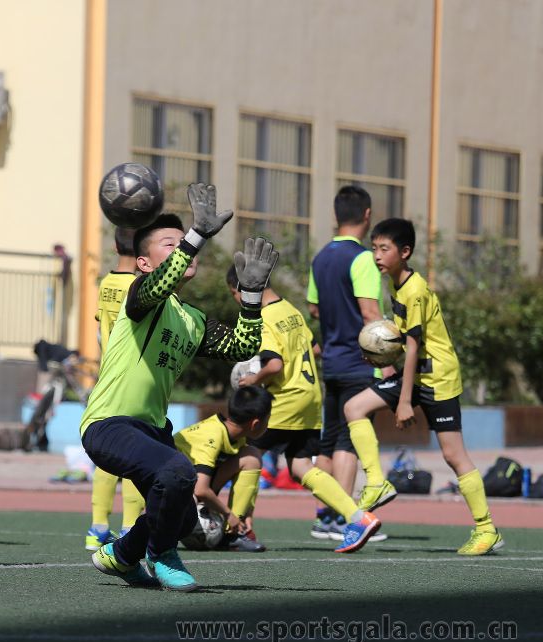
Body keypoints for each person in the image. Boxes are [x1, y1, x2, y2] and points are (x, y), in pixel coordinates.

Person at [81, 183, 277, 592]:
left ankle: (121, 555)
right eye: (168, 244)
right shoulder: (140, 296)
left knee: (183, 515)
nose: (182, 250)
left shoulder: (192, 319)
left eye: (182, 243)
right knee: (177, 472)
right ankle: (161, 555)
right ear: (144, 263)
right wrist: (197, 233)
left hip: (152, 430)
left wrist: (252, 296)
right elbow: (159, 284)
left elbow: (243, 347)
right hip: (108, 424)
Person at [344, 218, 503, 556]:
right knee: (354, 407)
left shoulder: (415, 290)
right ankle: (377, 482)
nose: (377, 255)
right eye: (374, 248)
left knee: (453, 455)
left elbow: (415, 346)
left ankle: (486, 529)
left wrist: (404, 401)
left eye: (384, 249)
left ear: (405, 252)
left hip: (438, 378)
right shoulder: (395, 285)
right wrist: (381, 352)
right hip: (416, 374)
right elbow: (405, 341)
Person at [227, 267, 381, 554]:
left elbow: (275, 365)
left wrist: (252, 379)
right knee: (301, 467)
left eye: (234, 294)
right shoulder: (291, 311)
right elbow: (315, 349)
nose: (237, 300)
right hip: (310, 397)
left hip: (286, 398)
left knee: (247, 454)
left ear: (244, 289)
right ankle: (358, 517)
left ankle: (238, 528)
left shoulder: (263, 316)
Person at [307, 185, 391, 541]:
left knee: (328, 441)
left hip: (331, 361)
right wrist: (388, 359)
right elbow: (370, 312)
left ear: (335, 214)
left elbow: (314, 308)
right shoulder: (363, 259)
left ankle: (324, 517)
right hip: (360, 362)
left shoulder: (321, 258)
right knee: (348, 441)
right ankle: (346, 520)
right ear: (367, 215)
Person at [85, 228, 146, 550]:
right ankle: (129, 527)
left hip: (106, 377)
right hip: (131, 378)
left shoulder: (107, 282)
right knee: (138, 453)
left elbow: (100, 331)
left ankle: (97, 528)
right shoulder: (138, 286)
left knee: (107, 453)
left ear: (114, 244)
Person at [173, 386, 273, 553]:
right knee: (192, 499)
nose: (268, 425)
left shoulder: (235, 435)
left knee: (251, 457)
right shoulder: (211, 436)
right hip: (165, 490)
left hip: (189, 484)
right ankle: (154, 533)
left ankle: (232, 535)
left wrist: (246, 515)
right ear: (255, 423)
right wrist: (228, 514)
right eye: (268, 419)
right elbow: (201, 489)